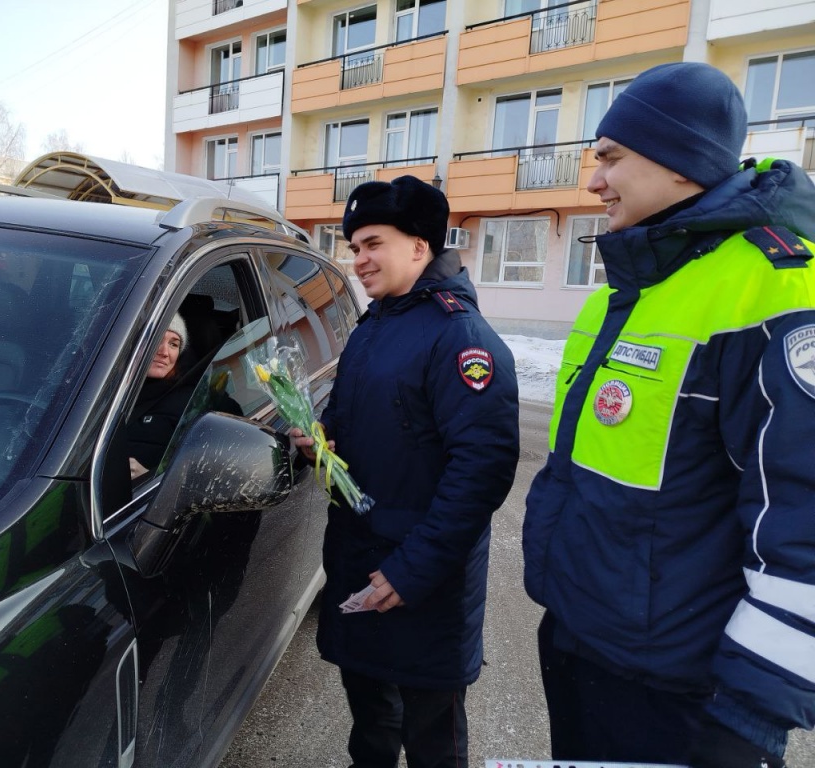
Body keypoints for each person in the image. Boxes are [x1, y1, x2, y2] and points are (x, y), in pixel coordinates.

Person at [522, 62, 815, 768]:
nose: (594, 181)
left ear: (682, 164)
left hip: (684, 695)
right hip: (584, 645)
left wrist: (748, 717)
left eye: (612, 158)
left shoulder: (773, 292)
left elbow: (804, 523)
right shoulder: (629, 288)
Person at [293, 175, 520, 768]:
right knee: (370, 726)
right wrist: (319, 442)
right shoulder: (376, 324)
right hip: (361, 562)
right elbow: (354, 421)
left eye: (372, 244)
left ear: (419, 245)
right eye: (355, 246)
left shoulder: (460, 336)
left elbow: (483, 470)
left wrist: (411, 572)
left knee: (432, 742)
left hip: (421, 584)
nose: (358, 259)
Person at [126, 312, 195, 480]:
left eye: (174, 344)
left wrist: (148, 477)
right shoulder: (107, 390)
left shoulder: (193, 400)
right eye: (157, 339)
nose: (164, 352)